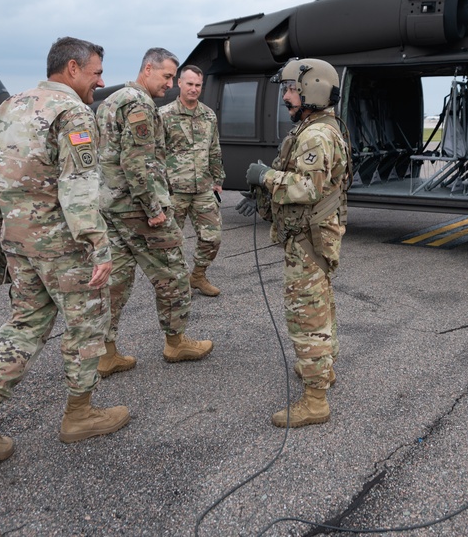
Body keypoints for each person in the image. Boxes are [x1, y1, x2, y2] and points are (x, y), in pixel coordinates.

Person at [0, 37, 128, 462]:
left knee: (24, 325)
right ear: (72, 69)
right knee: (86, 324)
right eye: (95, 73)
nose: (100, 81)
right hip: (62, 245)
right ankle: (79, 415)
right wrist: (98, 245)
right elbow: (78, 187)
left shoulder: (9, 107)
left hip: (19, 241)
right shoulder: (72, 112)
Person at [238, 57, 350, 428]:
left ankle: (315, 400)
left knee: (306, 316)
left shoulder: (316, 135)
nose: (285, 97)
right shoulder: (316, 127)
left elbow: (305, 188)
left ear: (312, 91)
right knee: (321, 306)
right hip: (313, 235)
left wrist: (266, 176)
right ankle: (324, 371)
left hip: (308, 238)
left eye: (291, 90)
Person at [96, 48, 212, 377]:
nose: (172, 84)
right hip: (138, 208)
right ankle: (176, 343)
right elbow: (138, 163)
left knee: (115, 280)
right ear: (147, 69)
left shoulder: (111, 100)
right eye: (166, 76)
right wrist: (154, 209)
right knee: (174, 273)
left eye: (174, 78)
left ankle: (106, 353)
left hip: (112, 205)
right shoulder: (139, 104)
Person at [158, 64, 226, 297]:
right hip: (174, 190)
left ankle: (197, 275)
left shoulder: (208, 115)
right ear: (179, 83)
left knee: (212, 237)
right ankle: (176, 283)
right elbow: (155, 154)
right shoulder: (164, 115)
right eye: (190, 84)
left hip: (203, 188)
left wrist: (218, 178)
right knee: (171, 242)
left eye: (198, 85)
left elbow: (214, 149)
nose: (194, 89)